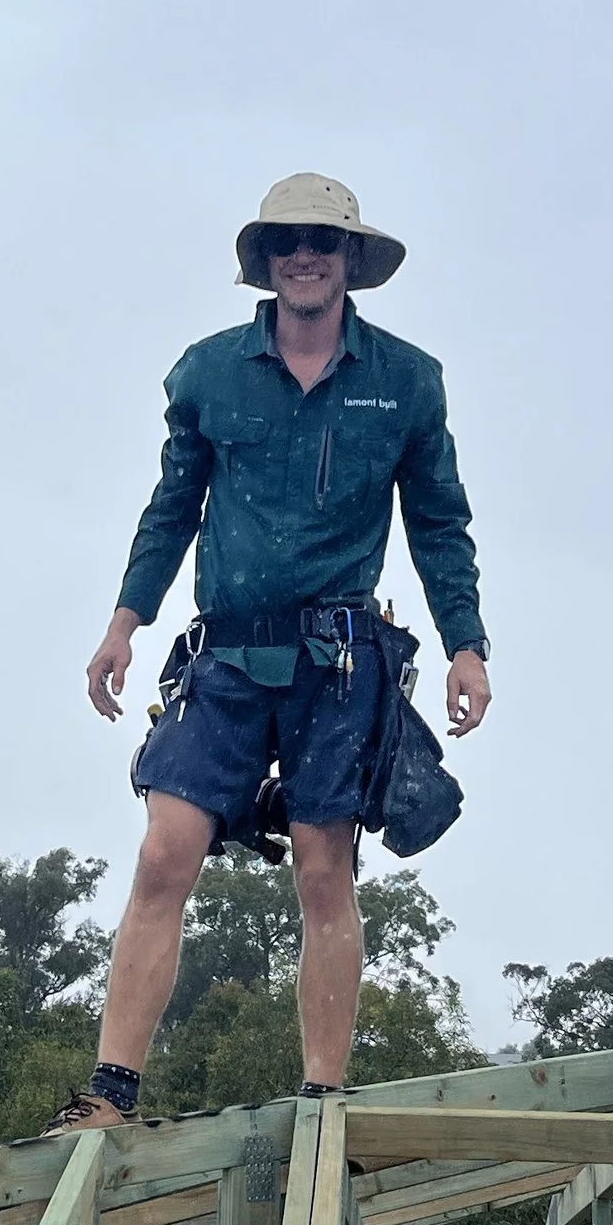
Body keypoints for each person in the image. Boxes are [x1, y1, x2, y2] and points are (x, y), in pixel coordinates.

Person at [58, 173, 491, 1130]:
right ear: (266, 258)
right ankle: (110, 1092)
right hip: (226, 655)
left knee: (322, 867)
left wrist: (467, 642)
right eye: (289, 239)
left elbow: (438, 520)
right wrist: (124, 622)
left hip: (337, 662)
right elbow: (173, 507)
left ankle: (322, 1100)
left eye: (324, 242)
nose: (306, 255)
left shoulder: (406, 382)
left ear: (349, 263)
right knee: (165, 853)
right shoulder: (210, 371)